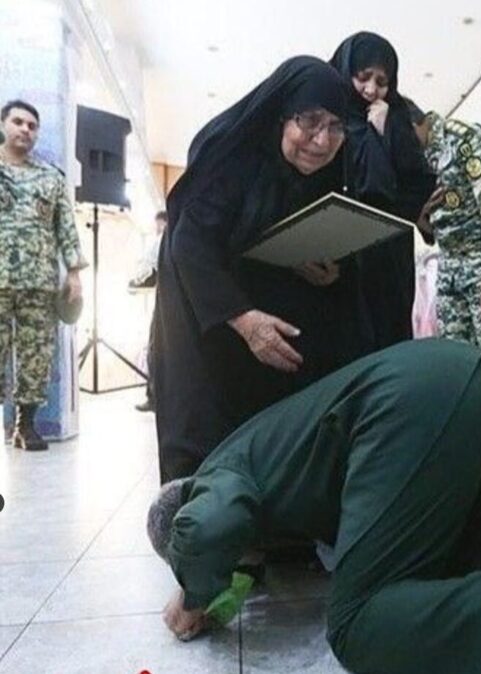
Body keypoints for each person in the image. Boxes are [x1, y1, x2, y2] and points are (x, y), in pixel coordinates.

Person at [147, 339, 481, 674]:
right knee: (449, 574)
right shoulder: (265, 455)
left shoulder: (213, 476)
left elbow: (207, 524)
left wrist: (195, 589)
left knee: (358, 624)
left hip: (417, 409)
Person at [152, 56, 369, 483]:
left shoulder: (312, 172)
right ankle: (209, 527)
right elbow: (191, 244)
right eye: (309, 121)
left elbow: (263, 236)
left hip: (259, 324)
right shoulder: (233, 159)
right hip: (207, 314)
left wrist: (310, 264)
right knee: (205, 427)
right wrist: (247, 322)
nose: (322, 141)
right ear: (281, 114)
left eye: (336, 127)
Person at [329, 32, 435, 350]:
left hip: (388, 256)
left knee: (389, 341)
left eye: (382, 81)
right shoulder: (326, 117)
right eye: (363, 77)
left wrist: (384, 133)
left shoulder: (397, 116)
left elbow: (415, 183)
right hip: (340, 254)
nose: (372, 89)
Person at [408, 100, 481, 376]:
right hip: (449, 266)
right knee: (457, 367)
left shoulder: (464, 139)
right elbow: (432, 227)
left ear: (414, 124)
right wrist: (417, 214)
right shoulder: (418, 157)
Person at [0, 99, 86, 451]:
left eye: (32, 126)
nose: (25, 130)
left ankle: (25, 425)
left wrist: (76, 274)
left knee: (37, 355)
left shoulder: (50, 177)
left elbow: (66, 227)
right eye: (18, 122)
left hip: (40, 283)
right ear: (4, 125)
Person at [131, 210, 167, 413]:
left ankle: (155, 398)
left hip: (168, 307)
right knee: (156, 350)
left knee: (157, 349)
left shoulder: (164, 240)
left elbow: (146, 273)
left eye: (160, 226)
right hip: (165, 303)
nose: (158, 230)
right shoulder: (161, 242)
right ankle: (154, 397)